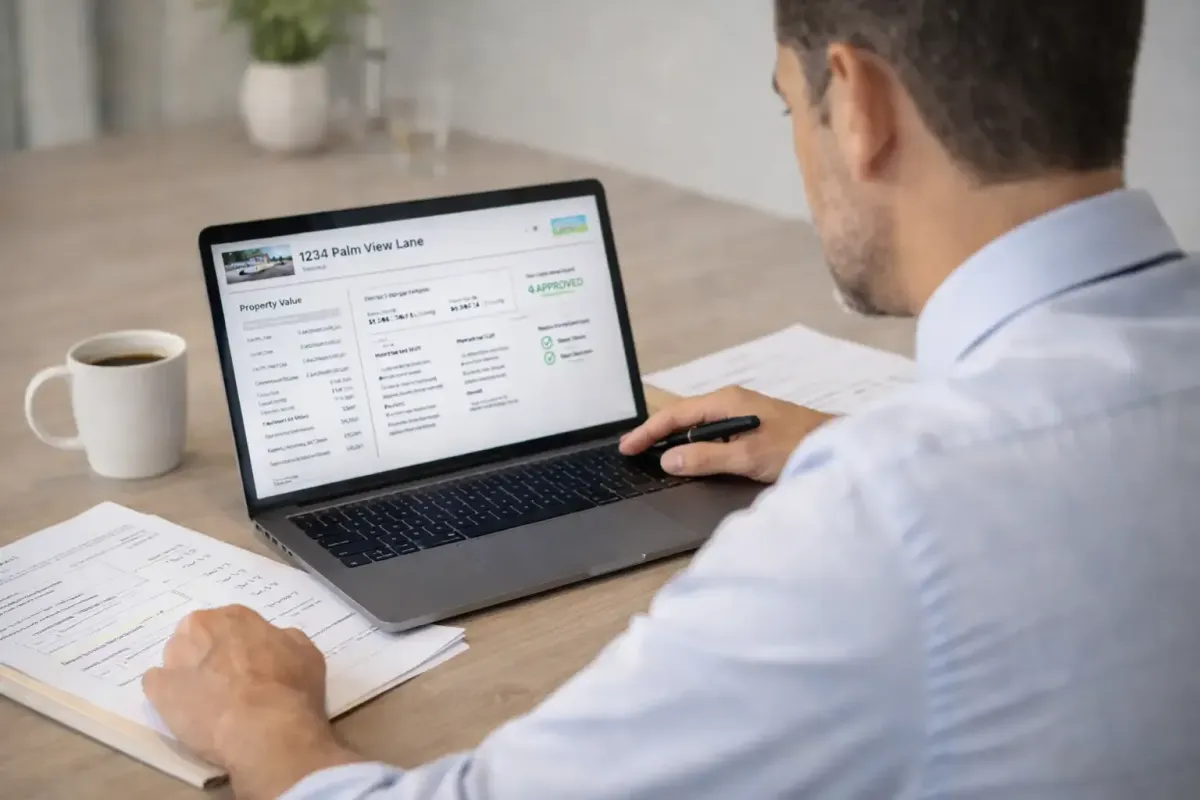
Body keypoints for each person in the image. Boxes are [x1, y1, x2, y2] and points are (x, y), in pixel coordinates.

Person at [143, 1, 1200, 798]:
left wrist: (260, 714)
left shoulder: (877, 526)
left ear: (860, 104)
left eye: (790, 106)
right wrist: (865, 437)